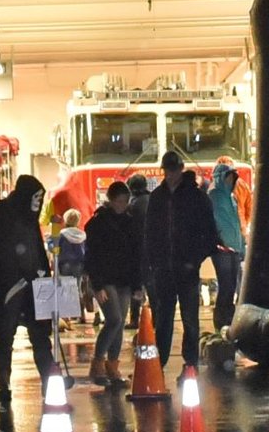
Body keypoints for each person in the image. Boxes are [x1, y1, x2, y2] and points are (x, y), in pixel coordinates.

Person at [0, 173, 62, 394]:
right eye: (35, 197)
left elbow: (32, 247)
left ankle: (47, 379)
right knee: (6, 333)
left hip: (31, 283)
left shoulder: (27, 217)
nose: (38, 203)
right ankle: (4, 380)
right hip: (10, 285)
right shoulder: (5, 212)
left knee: (37, 333)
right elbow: (0, 246)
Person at [146, 152, 217, 369]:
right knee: (165, 318)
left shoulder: (195, 197)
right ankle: (160, 364)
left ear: (180, 169)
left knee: (189, 319)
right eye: (167, 170)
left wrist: (193, 260)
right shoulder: (158, 197)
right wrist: (154, 261)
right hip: (165, 269)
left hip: (184, 268)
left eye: (173, 170)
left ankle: (190, 364)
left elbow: (209, 234)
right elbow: (149, 232)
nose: (170, 174)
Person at [82, 180, 143, 385]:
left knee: (118, 322)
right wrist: (96, 285)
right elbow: (92, 256)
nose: (122, 205)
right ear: (111, 200)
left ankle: (112, 366)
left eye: (125, 201)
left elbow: (136, 256)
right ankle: (99, 362)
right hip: (106, 279)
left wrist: (137, 285)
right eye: (119, 201)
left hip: (123, 279)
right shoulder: (98, 223)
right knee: (115, 319)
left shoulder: (130, 222)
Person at [208, 159, 248, 332]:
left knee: (231, 285)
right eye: (228, 177)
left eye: (232, 178)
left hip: (233, 248)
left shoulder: (230, 197)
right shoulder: (214, 195)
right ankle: (222, 319)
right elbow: (216, 221)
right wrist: (221, 241)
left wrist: (241, 244)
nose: (230, 181)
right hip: (222, 249)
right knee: (226, 284)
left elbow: (235, 220)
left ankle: (227, 318)